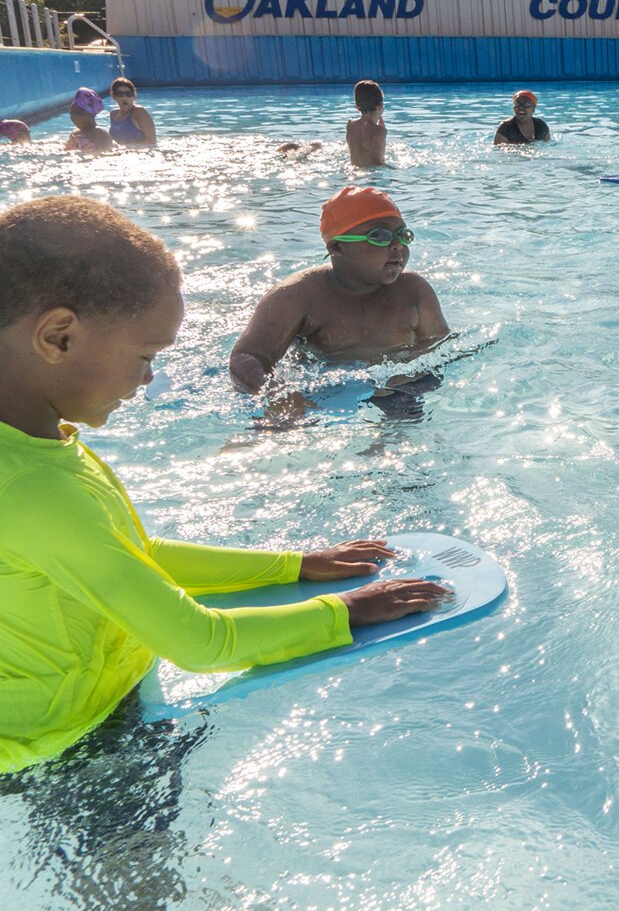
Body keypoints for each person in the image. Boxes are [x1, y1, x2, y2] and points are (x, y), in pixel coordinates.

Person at [0, 195, 448, 773]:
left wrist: (295, 565)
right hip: (61, 746)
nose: (149, 376)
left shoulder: (40, 441)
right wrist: (348, 611)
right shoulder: (30, 490)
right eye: (145, 354)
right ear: (58, 337)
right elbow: (201, 644)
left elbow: (134, 555)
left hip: (98, 694)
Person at [228, 186, 450, 397]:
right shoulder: (297, 296)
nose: (396, 245)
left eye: (403, 235)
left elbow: (439, 347)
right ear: (337, 247)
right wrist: (273, 394)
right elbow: (247, 357)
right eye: (379, 236)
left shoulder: (414, 291)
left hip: (397, 387)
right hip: (324, 390)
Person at [345, 79, 386, 167]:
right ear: (380, 107)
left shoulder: (350, 125)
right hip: (371, 175)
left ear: (357, 107)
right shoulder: (379, 132)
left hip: (353, 171)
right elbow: (377, 162)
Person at [106, 77, 157, 147]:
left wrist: (126, 148)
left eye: (128, 94)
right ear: (114, 96)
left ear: (134, 96)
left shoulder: (140, 113)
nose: (124, 98)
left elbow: (152, 142)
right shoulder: (113, 114)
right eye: (120, 94)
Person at [63, 88, 111, 154]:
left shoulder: (101, 134)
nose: (74, 117)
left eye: (79, 113)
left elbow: (105, 155)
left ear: (91, 114)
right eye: (72, 112)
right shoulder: (75, 134)